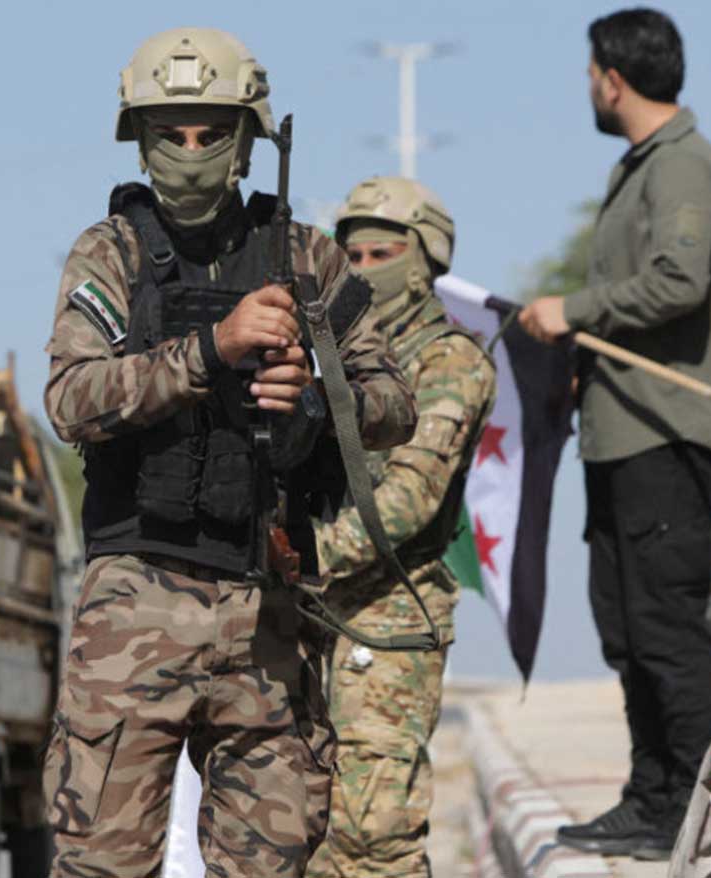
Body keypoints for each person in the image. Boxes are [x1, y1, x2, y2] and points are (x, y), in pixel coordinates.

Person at [41, 27, 417, 878]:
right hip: (133, 603)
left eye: (211, 131)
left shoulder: (306, 257)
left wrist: (318, 402)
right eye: (169, 132)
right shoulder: (112, 251)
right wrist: (211, 350)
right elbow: (71, 399)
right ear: (138, 138)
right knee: (99, 861)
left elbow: (396, 404)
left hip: (268, 607)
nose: (190, 151)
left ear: (249, 138)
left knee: (272, 864)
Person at [519, 7, 711, 862]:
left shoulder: (685, 166)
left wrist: (571, 312)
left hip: (666, 434)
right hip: (620, 437)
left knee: (665, 628)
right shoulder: (641, 169)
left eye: (588, 73)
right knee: (623, 625)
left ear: (613, 77)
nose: (586, 86)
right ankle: (651, 796)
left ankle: (696, 810)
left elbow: (678, 281)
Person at [304, 177, 496, 878]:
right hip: (313, 615)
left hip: (388, 620)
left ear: (423, 260)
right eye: (347, 256)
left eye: (379, 253)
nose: (359, 271)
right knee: (304, 835)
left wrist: (305, 554)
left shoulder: (449, 361)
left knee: (372, 837)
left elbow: (411, 496)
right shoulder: (332, 360)